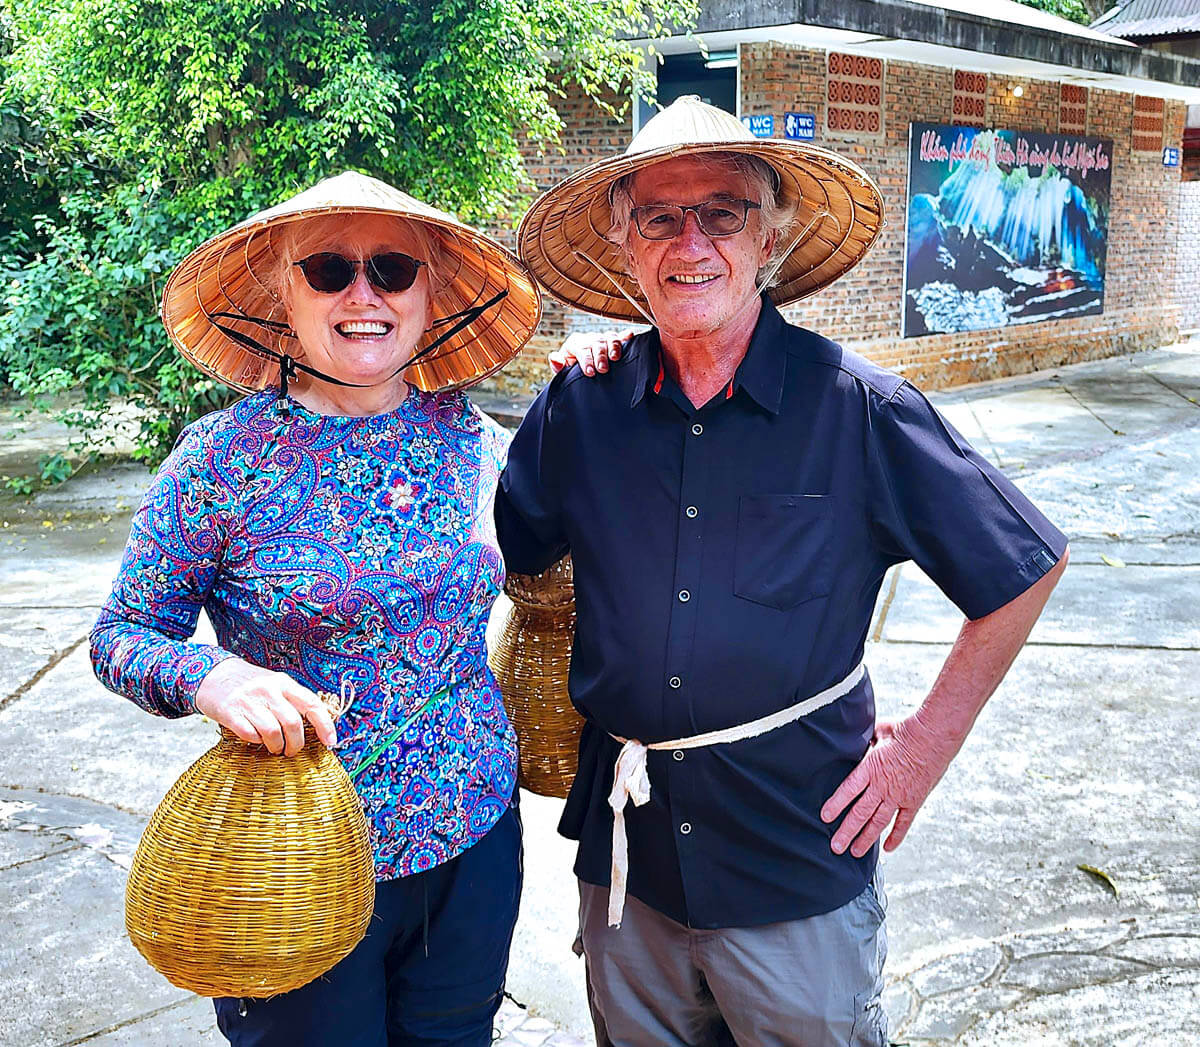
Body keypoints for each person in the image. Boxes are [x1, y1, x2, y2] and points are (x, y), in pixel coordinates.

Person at [497, 96, 1069, 1046]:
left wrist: (922, 748)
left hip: (795, 859)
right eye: (659, 218)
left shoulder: (860, 409)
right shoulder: (581, 409)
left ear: (766, 239)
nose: (691, 243)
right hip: (628, 867)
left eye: (720, 213)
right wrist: (570, 365)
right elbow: (510, 556)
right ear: (625, 247)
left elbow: (1022, 569)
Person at [90, 171, 544, 1046]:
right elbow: (120, 635)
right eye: (329, 270)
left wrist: (599, 387)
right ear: (284, 298)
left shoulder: (477, 441)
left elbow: (562, 561)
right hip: (291, 858)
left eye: (394, 269)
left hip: (473, 835)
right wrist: (209, 674)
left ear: (430, 293)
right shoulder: (222, 459)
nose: (363, 294)